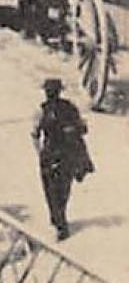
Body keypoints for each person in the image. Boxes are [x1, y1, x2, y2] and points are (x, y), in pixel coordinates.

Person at [32, 77, 93, 241]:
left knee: (51, 190)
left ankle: (59, 221)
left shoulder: (42, 111)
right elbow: (83, 128)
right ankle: (60, 218)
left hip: (51, 155)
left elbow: (35, 134)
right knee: (63, 189)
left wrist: (40, 151)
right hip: (67, 155)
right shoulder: (70, 108)